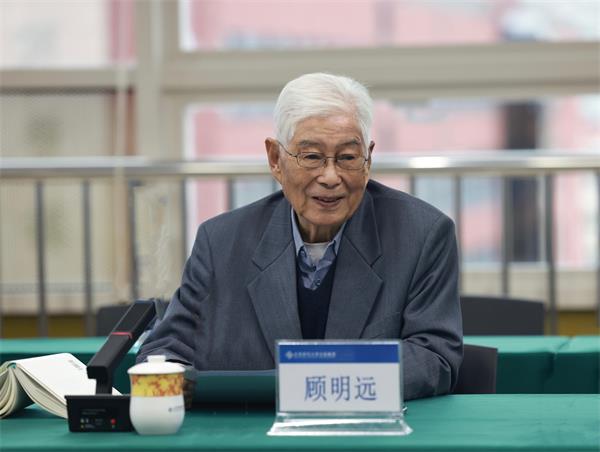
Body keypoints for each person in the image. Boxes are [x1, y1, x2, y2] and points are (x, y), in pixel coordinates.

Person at [137, 72, 463, 400]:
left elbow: (434, 357)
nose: (330, 176)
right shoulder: (221, 242)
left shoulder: (421, 235)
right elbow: (164, 353)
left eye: (348, 158)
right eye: (312, 157)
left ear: (368, 159)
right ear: (275, 159)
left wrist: (312, 384)